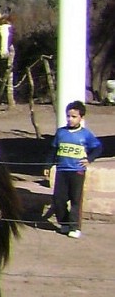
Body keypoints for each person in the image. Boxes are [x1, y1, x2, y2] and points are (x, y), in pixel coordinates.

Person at [51, 100, 102, 238]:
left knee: (75, 199)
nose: (70, 119)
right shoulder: (61, 132)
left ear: (81, 118)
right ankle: (64, 223)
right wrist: (47, 165)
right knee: (58, 199)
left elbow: (98, 147)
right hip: (62, 170)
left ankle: (74, 227)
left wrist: (89, 159)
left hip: (77, 171)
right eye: (68, 116)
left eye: (74, 116)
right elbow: (53, 150)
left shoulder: (86, 134)